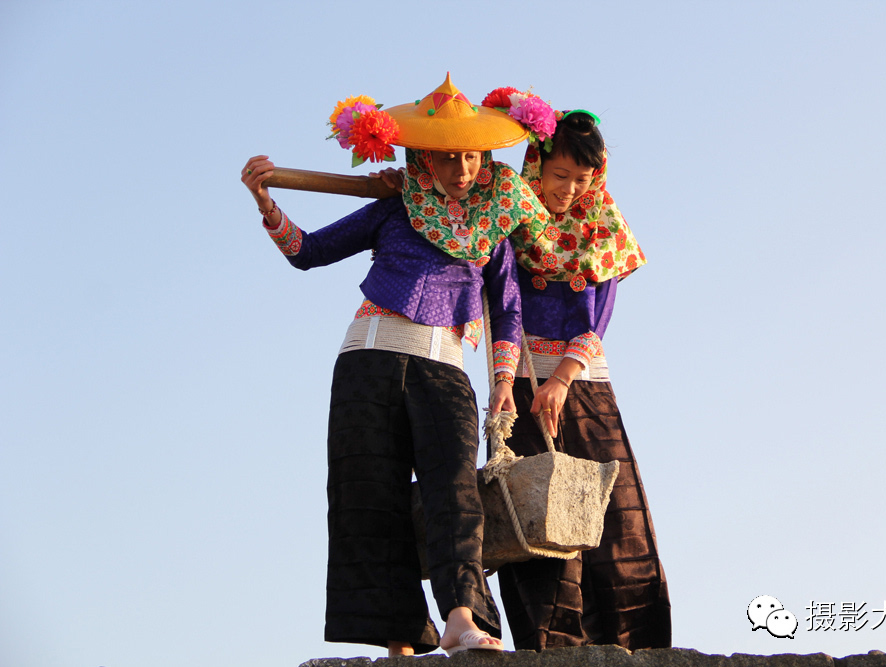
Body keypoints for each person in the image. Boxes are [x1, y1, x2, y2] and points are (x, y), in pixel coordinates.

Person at [239, 75, 548, 657]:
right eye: (448, 157)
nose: (461, 169)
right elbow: (308, 252)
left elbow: (506, 306)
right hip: (368, 359)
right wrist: (265, 202)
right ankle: (397, 638)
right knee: (367, 492)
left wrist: (504, 383)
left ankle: (461, 619)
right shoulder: (393, 205)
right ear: (422, 156)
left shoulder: (498, 217)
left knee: (453, 492)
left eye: (472, 156)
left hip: (446, 368)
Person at [491, 105, 673, 651]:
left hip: (585, 384)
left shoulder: (603, 224)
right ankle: (550, 650)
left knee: (616, 516)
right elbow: (504, 305)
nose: (569, 189)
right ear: (536, 170)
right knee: (537, 520)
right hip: (522, 381)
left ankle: (638, 648)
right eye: (558, 176)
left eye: (581, 178)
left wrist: (564, 379)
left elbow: (599, 316)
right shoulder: (510, 221)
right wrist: (510, 382)